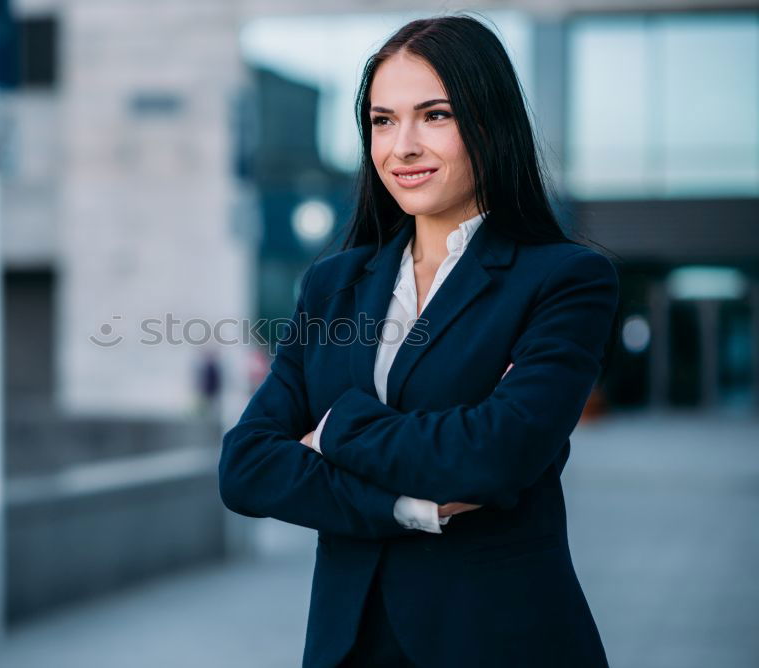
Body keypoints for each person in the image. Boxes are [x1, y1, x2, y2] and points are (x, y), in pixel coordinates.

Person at [219, 15, 618, 668]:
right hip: (348, 645)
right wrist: (410, 505)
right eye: (382, 120)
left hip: (500, 641)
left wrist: (337, 428)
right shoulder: (332, 285)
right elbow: (247, 467)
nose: (401, 146)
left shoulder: (564, 279)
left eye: (434, 116)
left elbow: (497, 454)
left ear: (489, 124)